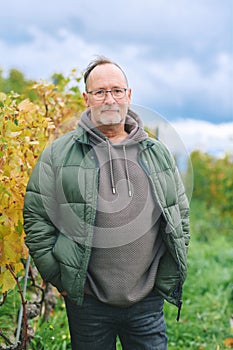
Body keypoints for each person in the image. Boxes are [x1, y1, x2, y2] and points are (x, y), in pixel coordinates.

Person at [23, 56, 190, 350]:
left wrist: (164, 275)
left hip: (146, 301)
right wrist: (61, 278)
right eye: (100, 92)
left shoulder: (157, 153)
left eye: (116, 90)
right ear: (87, 99)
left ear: (129, 95)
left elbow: (180, 215)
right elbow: (37, 220)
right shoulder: (58, 155)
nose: (109, 99)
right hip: (88, 304)